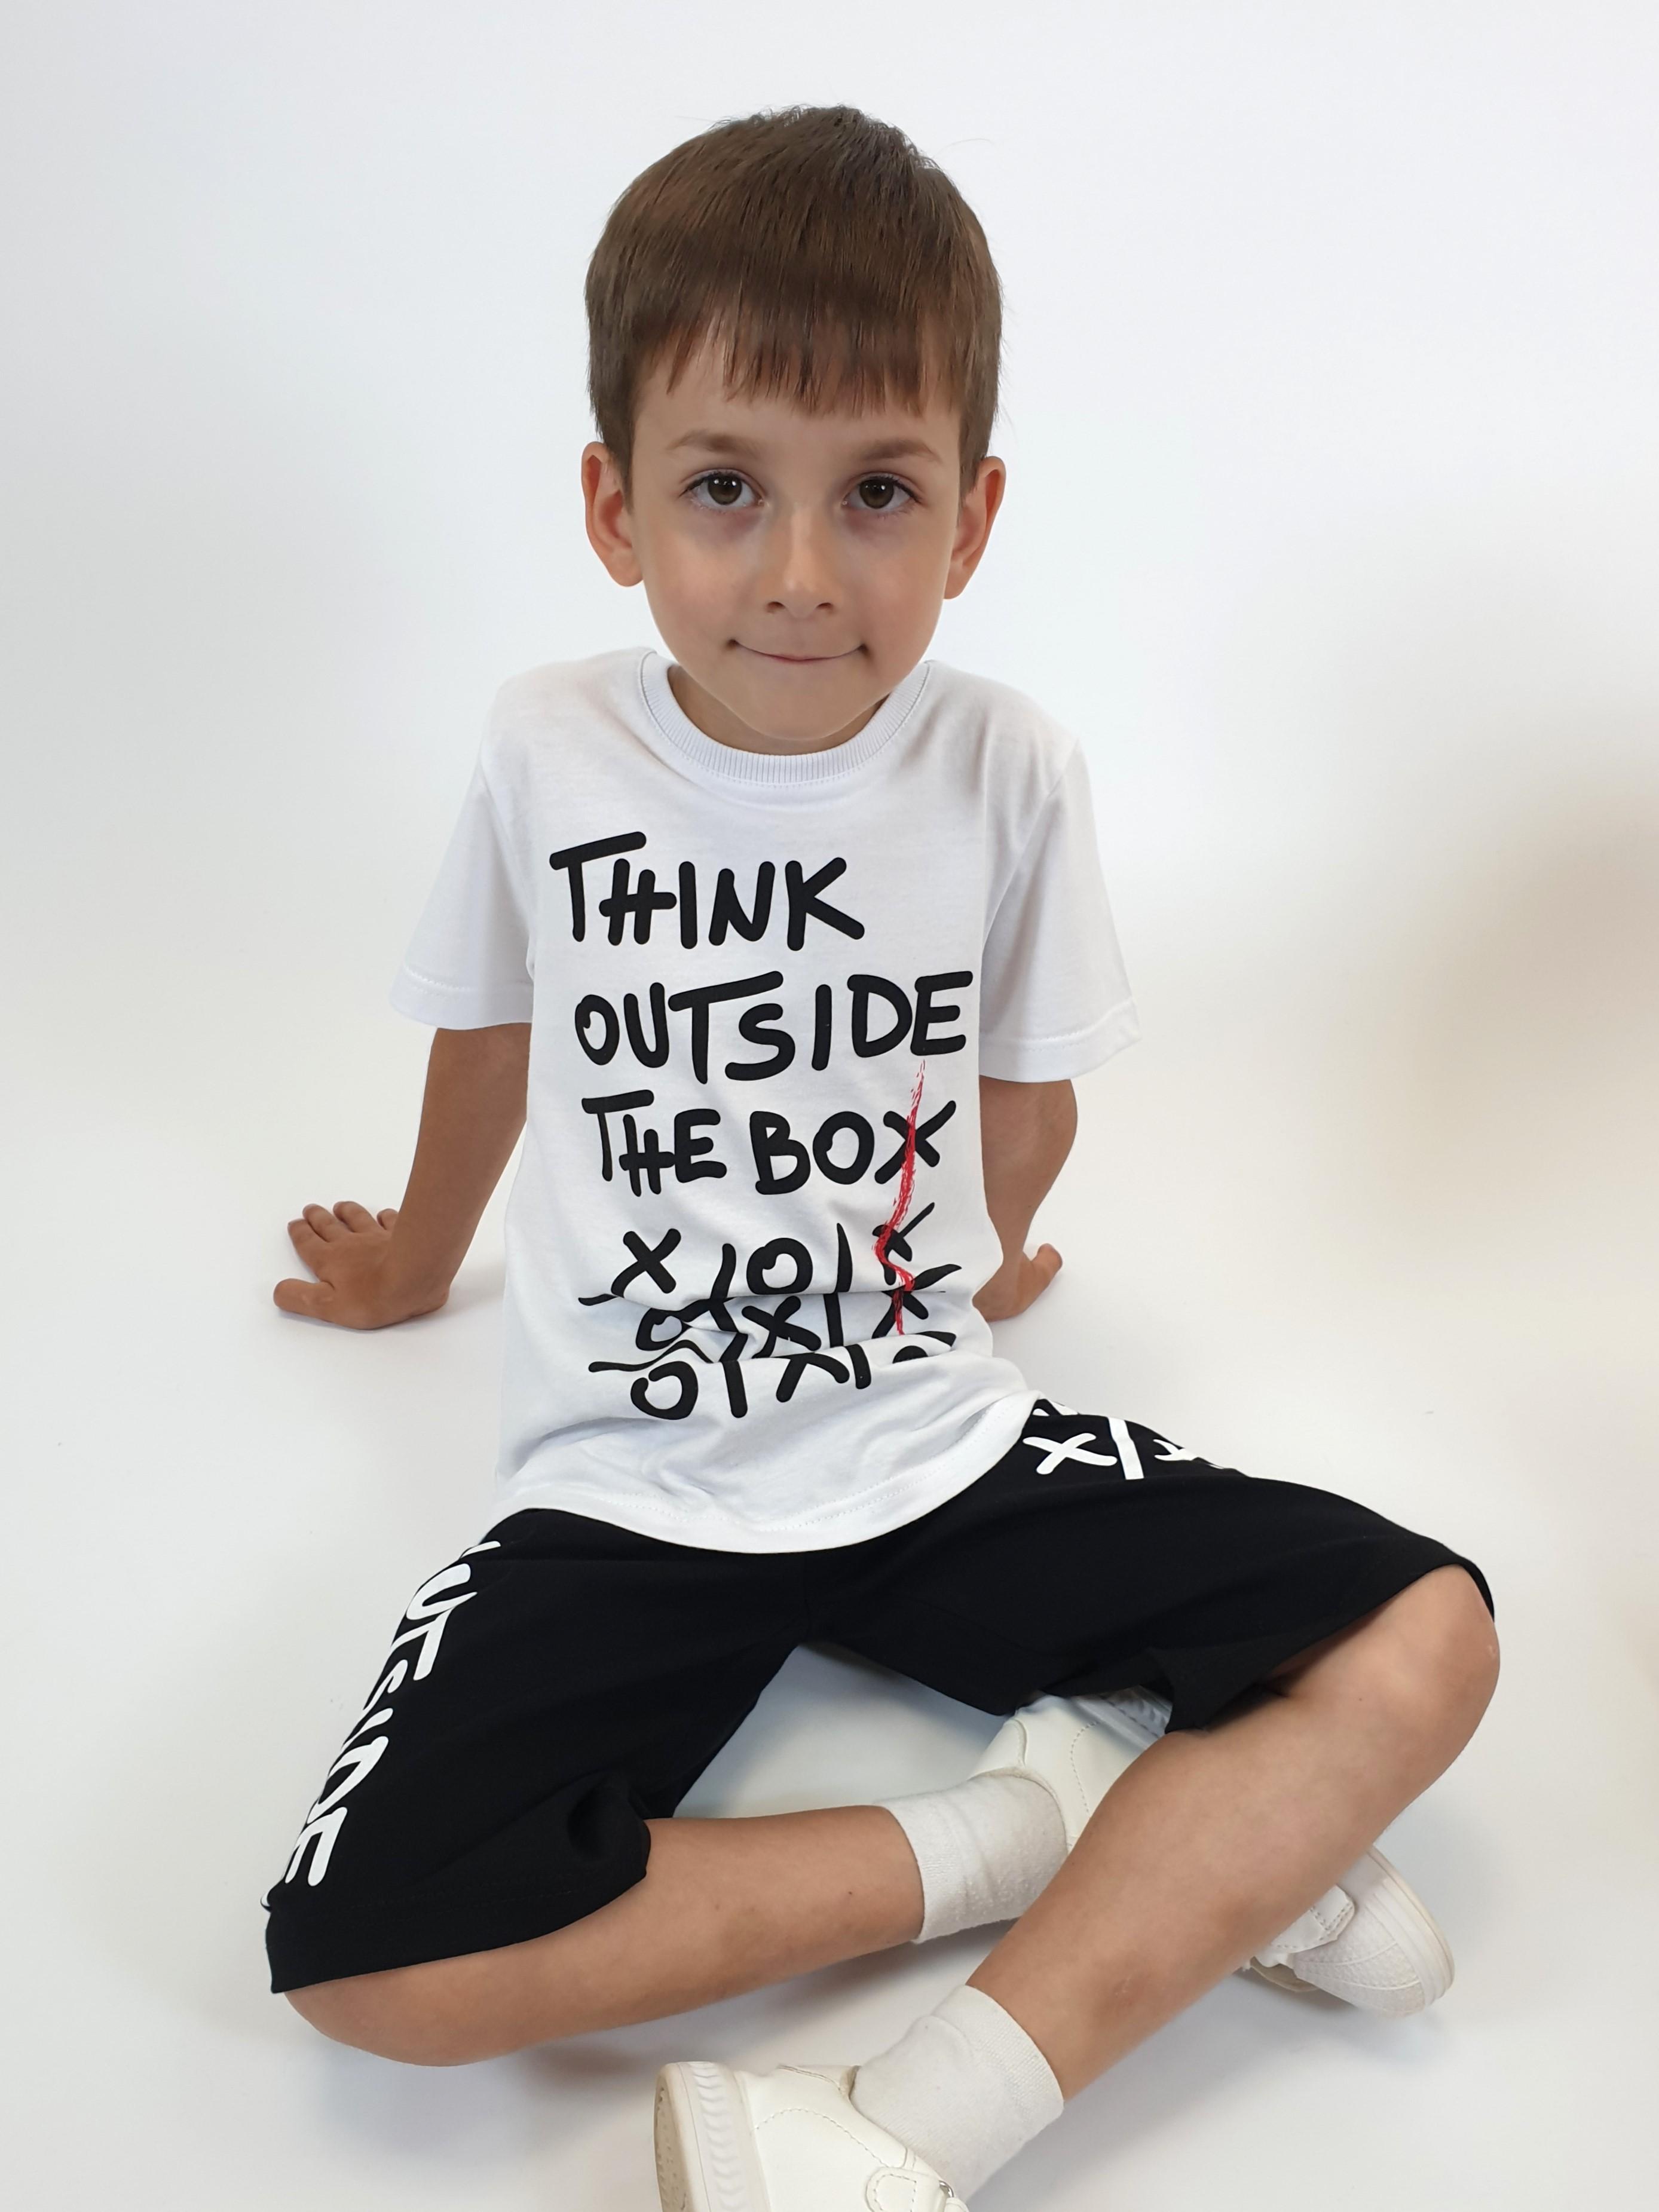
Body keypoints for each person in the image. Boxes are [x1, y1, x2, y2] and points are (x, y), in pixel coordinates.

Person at [265, 104, 1499, 2210]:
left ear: (972, 515)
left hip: (929, 1436)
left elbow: (1030, 1089)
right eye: (725, 488)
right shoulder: (546, 745)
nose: (801, 573)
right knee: (367, 1958)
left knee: (1429, 1631)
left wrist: (989, 1257)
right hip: (629, 1479)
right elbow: (494, 1026)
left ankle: (914, 2126)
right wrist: (413, 1259)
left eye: (879, 493)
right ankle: (1047, 1824)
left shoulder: (1006, 762)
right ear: (614, 502)